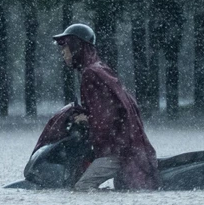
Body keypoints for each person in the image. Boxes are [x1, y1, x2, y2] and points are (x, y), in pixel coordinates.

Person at [53, 23, 160, 190]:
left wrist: (86, 119)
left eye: (65, 48)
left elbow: (107, 116)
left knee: (82, 187)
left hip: (118, 151)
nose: (63, 53)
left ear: (76, 47)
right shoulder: (99, 68)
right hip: (125, 146)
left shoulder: (91, 74)